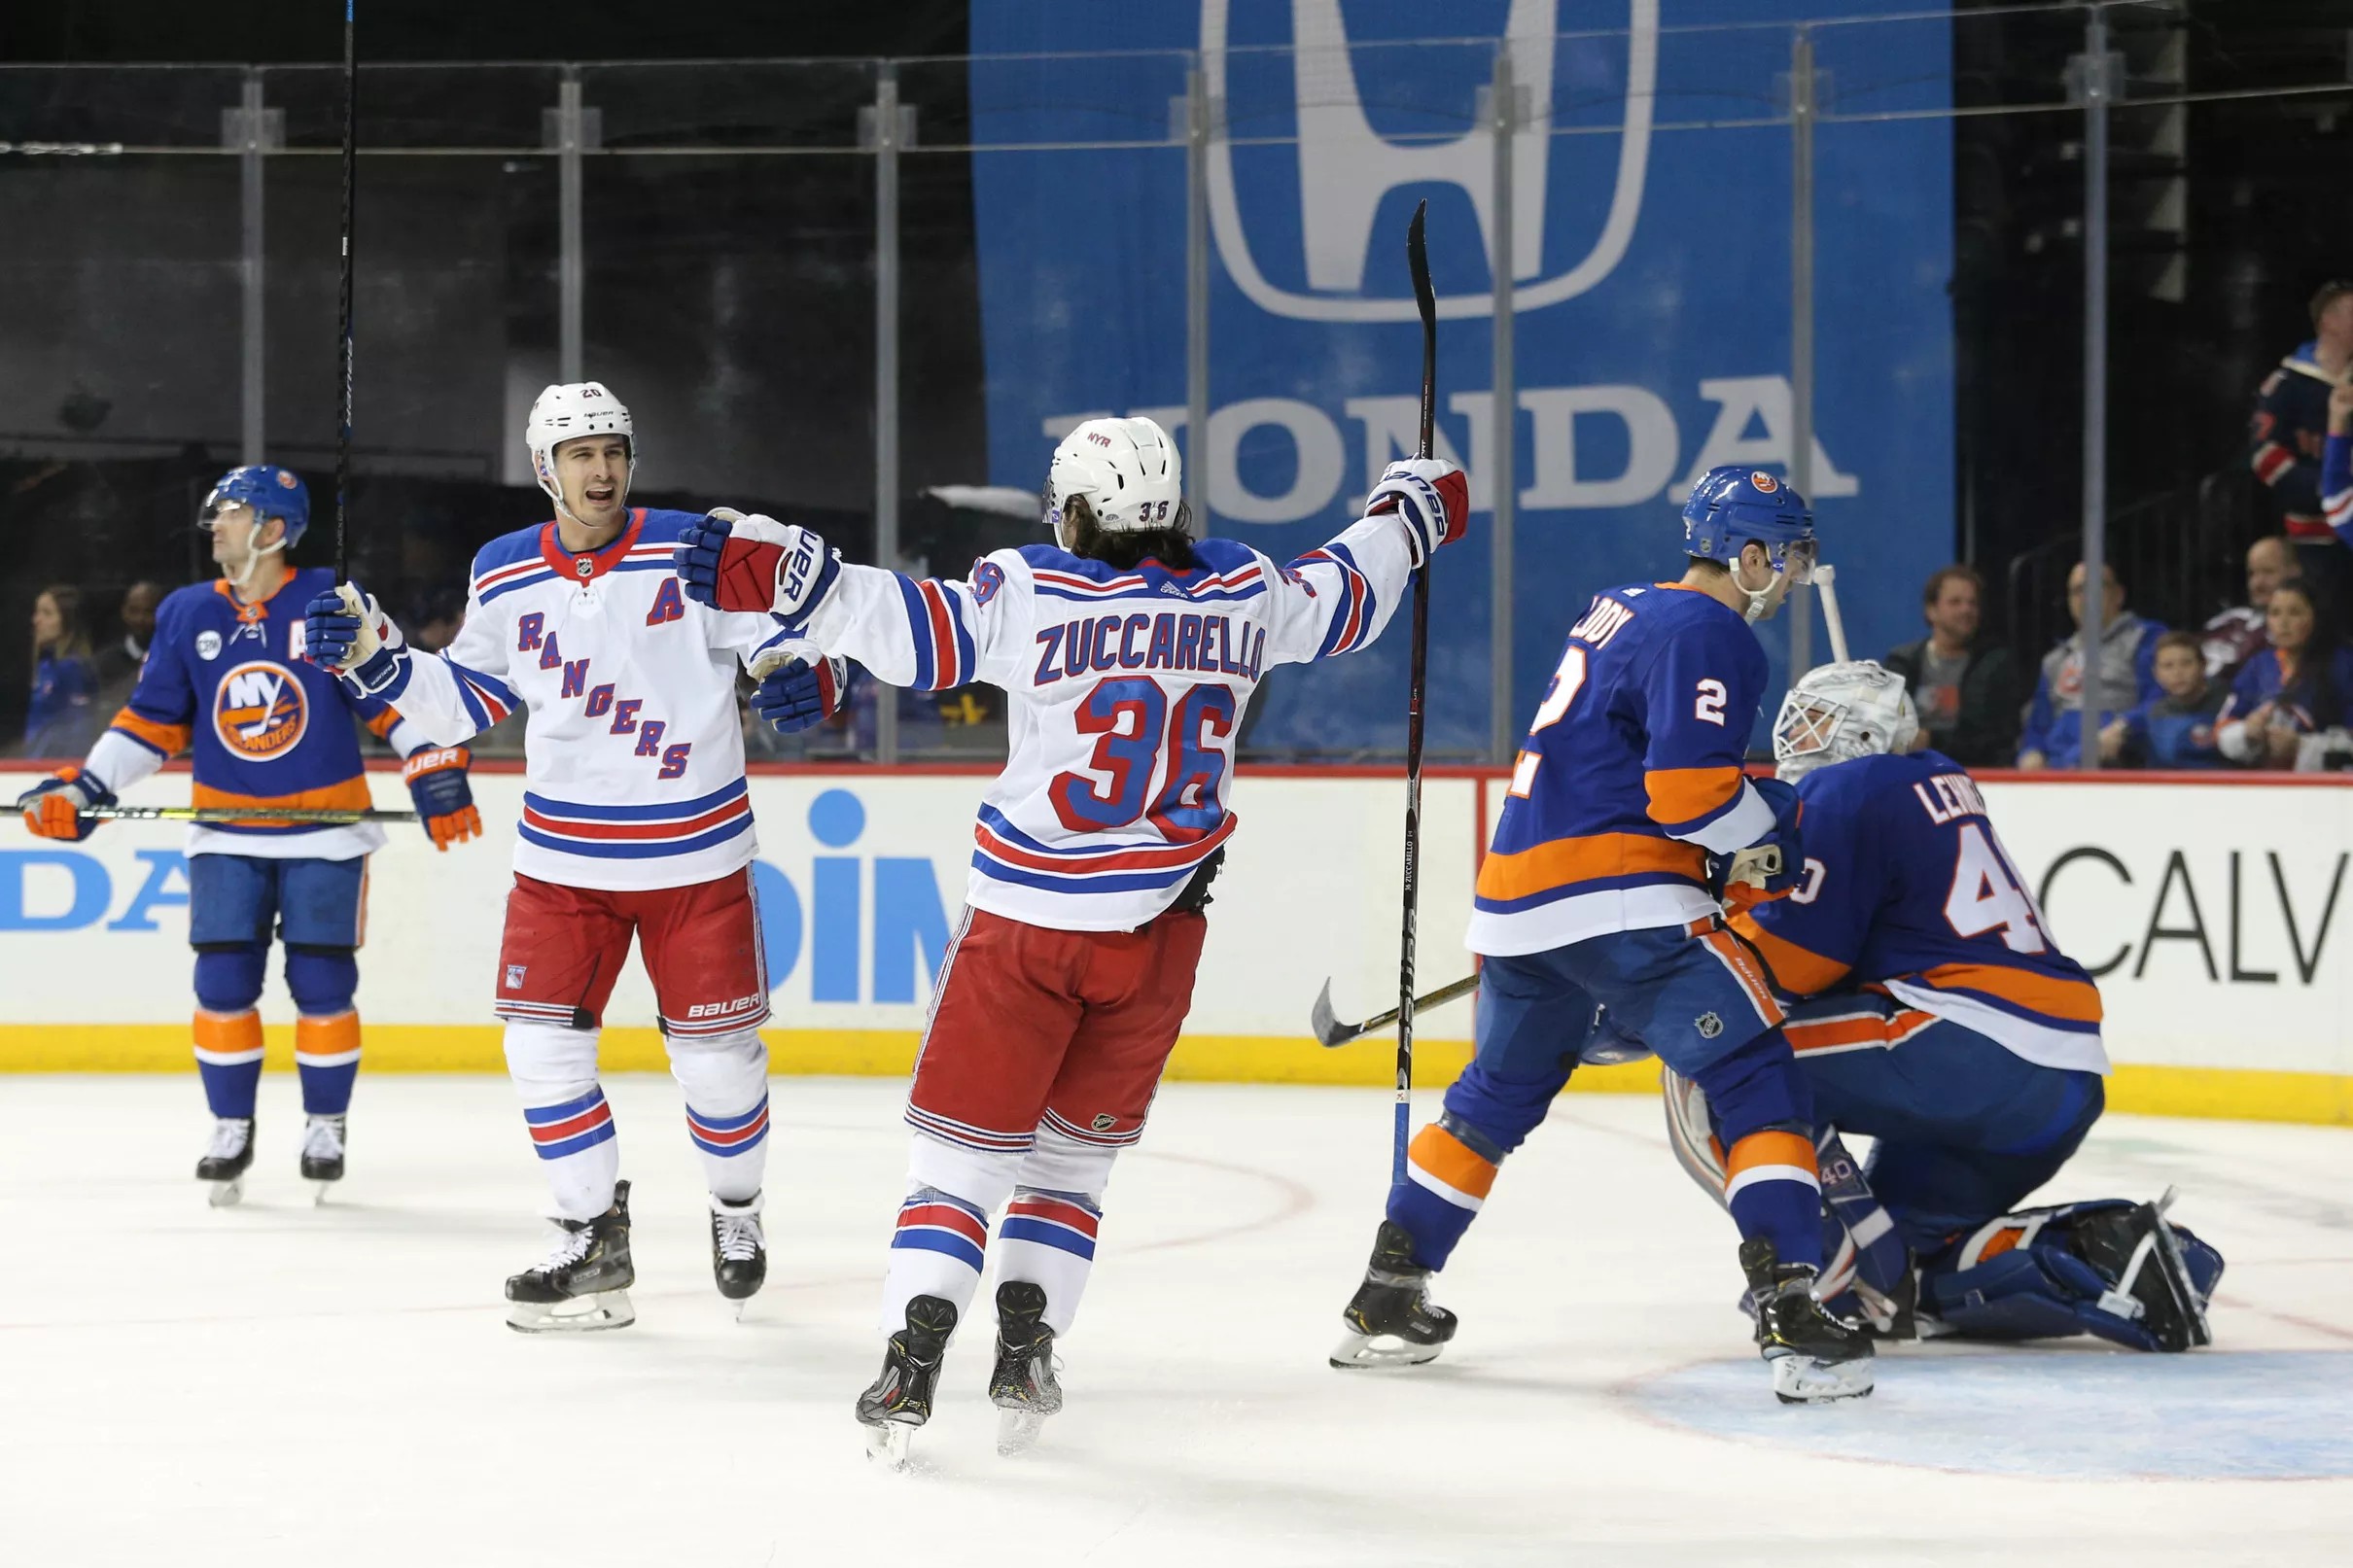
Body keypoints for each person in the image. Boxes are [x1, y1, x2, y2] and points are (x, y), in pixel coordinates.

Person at [672, 416, 1468, 1461]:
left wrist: (792, 577)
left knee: (954, 1172)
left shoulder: (1034, 589)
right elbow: (1348, 592)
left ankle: (910, 1360)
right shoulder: (1243, 592)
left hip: (1023, 934)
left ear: (1080, 513)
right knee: (1066, 1176)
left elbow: (910, 627)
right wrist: (1412, 508)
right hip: (1156, 946)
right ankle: (1026, 1348)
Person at [302, 382, 848, 1332]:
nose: (600, 469)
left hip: (697, 860)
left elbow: (796, 639)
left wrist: (814, 676)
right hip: (563, 865)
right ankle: (591, 1234)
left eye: (613, 450)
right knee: (539, 1052)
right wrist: (373, 656)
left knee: (719, 1063)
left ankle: (736, 1211)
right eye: (579, 453)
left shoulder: (694, 545)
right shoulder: (504, 570)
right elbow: (465, 699)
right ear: (543, 466)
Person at [1316, 466, 1867, 1405]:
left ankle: (1387, 1296)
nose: (1791, 571)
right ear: (1748, 553)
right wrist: (1771, 824)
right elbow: (1686, 795)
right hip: (1620, 899)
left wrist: (1722, 845)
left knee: (1491, 1099)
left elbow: (1623, 770)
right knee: (1753, 1077)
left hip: (1517, 896)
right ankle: (1793, 1311)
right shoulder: (1712, 629)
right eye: (1786, 551)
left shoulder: (1618, 608)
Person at [1665, 661, 2221, 1352]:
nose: (1798, 733)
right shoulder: (1934, 779)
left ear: (1862, 733)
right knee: (1909, 1272)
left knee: (1710, 1056)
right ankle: (2111, 1257)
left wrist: (1646, 989)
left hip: (1962, 1043)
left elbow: (1786, 970)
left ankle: (1815, 1275)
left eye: (1818, 718)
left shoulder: (1847, 786)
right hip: (2061, 1075)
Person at [15, 468, 483, 1204]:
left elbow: (387, 696)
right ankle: (230, 1125)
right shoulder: (185, 611)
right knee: (222, 982)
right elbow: (152, 722)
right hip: (227, 834)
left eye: (229, 515)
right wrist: (88, 786)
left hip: (326, 834)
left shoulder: (330, 603)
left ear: (271, 530)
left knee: (323, 983)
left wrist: (432, 761)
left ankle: (325, 1123)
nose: (215, 528)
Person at [2251, 279, 2353, 590]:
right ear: (2329, 321)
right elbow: (2264, 455)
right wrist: (2325, 489)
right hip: (2310, 537)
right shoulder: (2286, 384)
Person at [2017, 562, 2164, 770]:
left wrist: (2124, 727)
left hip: (2117, 756)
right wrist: (2031, 751)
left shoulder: (2144, 638)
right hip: (2059, 762)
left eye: (2096, 587)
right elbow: (2039, 725)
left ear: (2119, 595)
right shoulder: (2055, 660)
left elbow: (2160, 698)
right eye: (2077, 591)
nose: (2085, 597)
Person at [1882, 564, 2019, 765]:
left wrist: (1930, 740)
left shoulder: (1996, 665)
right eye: (1955, 602)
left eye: (1972, 603)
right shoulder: (1901, 663)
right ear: (1932, 611)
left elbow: (1996, 740)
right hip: (1908, 772)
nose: (1966, 610)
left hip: (1974, 774)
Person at [2216, 578, 2353, 769]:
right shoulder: (2258, 665)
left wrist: (2303, 746)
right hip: (2265, 786)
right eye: (2275, 613)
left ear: (2316, 617)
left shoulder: (2345, 665)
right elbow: (2222, 729)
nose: (2284, 623)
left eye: (2295, 612)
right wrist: (2247, 732)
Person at [2104, 631, 2228, 769]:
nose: (2177, 673)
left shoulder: (2229, 706)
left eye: (2186, 664)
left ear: (2203, 666)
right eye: (2168, 666)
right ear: (2156, 674)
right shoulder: (2153, 715)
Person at [2198, 538, 2297, 683]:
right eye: (2252, 574)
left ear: (2295, 572)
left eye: (2268, 572)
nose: (2257, 583)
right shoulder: (2226, 623)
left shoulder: (2303, 632)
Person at [24, 583, 103, 758]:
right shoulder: (46, 667)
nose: (36, 620)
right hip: (33, 768)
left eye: (47, 613)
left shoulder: (75, 670)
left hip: (57, 771)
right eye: (37, 612)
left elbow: (78, 732)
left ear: (68, 621)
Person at [92, 579, 165, 709]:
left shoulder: (172, 661)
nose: (140, 619)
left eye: (148, 612)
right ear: (124, 612)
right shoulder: (103, 663)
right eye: (134, 611)